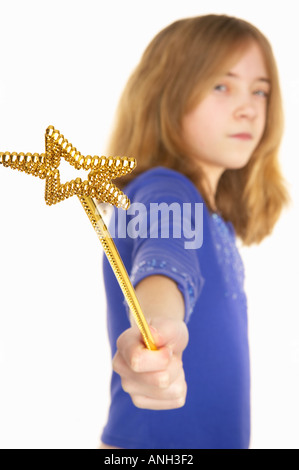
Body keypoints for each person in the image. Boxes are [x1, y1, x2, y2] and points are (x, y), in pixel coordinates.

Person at [99, 14, 288, 449]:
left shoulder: (208, 213)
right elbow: (166, 260)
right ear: (168, 93)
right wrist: (160, 327)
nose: (249, 107)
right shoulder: (167, 190)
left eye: (260, 90)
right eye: (222, 86)